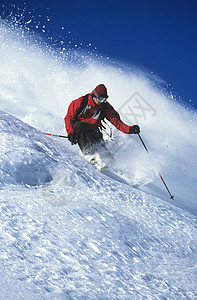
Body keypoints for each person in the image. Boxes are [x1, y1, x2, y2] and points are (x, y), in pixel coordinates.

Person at [64, 84, 140, 155]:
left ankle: (111, 164)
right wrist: (71, 133)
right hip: (79, 129)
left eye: (104, 99)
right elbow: (69, 118)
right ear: (94, 96)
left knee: (102, 149)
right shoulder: (81, 102)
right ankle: (88, 154)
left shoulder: (105, 107)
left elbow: (117, 122)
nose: (102, 102)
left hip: (93, 130)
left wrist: (130, 129)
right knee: (81, 126)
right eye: (100, 99)